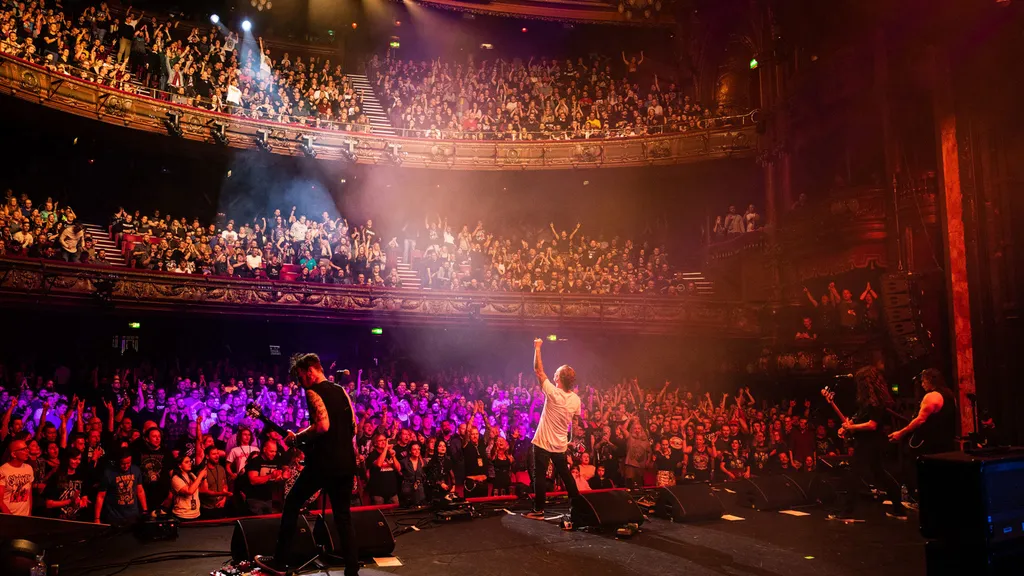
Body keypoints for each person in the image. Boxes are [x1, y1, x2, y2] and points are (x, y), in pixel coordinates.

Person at [255, 353, 359, 576]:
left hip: (324, 463)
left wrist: (297, 438)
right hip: (346, 462)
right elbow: (354, 426)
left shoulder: (313, 391)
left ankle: (280, 561)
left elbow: (322, 426)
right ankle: (352, 570)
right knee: (343, 517)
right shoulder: (341, 391)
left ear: (310, 371)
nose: (300, 382)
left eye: (300, 376)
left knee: (292, 502)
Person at [833, 366, 906, 521]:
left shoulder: (875, 403)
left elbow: (872, 425)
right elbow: (859, 419)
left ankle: (846, 512)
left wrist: (851, 428)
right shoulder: (868, 403)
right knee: (879, 473)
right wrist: (846, 427)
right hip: (870, 442)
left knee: (854, 473)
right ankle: (899, 509)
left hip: (869, 442)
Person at [524, 338, 581, 521]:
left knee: (539, 475)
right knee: (565, 474)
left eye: (556, 373)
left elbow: (538, 370)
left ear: (558, 378)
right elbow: (575, 422)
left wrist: (537, 348)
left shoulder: (553, 392)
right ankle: (578, 506)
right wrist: (570, 439)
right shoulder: (576, 400)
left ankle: (539, 510)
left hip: (543, 442)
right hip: (560, 444)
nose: (554, 374)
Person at [888, 369, 957, 455]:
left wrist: (900, 433)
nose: (922, 384)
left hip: (930, 445)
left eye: (923, 381)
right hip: (947, 443)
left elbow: (920, 420)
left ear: (930, 380)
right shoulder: (951, 395)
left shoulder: (931, 396)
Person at [95, 448, 148, 525]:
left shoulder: (136, 470)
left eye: (128, 463)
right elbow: (101, 496)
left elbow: (140, 491)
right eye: (123, 464)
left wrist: (145, 510)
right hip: (115, 517)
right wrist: (97, 518)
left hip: (133, 516)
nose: (126, 466)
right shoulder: (109, 473)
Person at [0, 439, 34, 516]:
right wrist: (12, 519)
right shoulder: (3, 471)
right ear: (13, 454)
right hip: (9, 517)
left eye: (27, 448)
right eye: (23, 449)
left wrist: (29, 513)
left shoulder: (29, 468)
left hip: (25, 516)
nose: (27, 451)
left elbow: (29, 494)